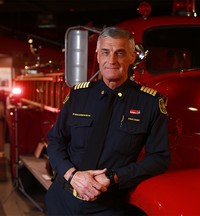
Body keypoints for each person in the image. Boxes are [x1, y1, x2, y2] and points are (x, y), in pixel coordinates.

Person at [45, 26, 170, 215]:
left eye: (120, 53)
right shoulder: (78, 95)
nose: (111, 60)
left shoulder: (150, 103)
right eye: (105, 52)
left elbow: (159, 159)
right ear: (97, 56)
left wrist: (113, 177)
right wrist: (72, 175)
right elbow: (55, 140)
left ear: (132, 57)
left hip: (107, 206)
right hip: (62, 200)